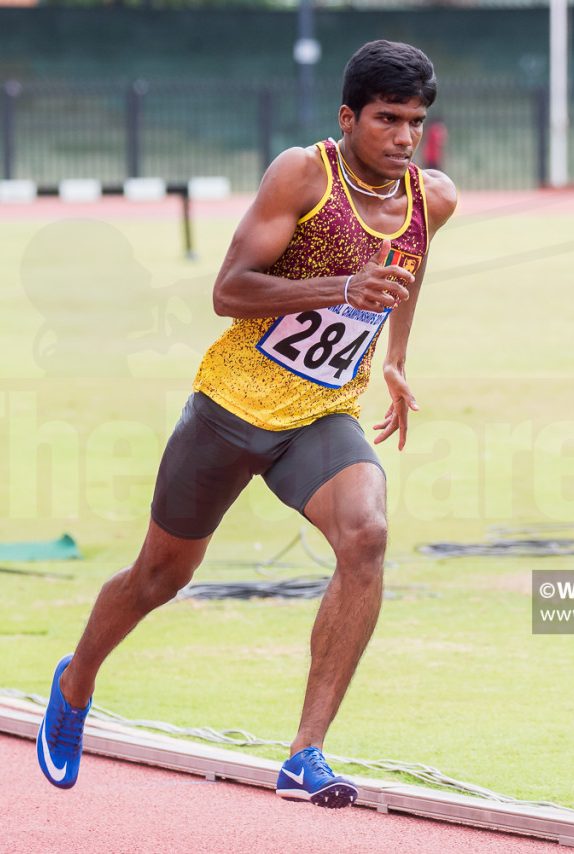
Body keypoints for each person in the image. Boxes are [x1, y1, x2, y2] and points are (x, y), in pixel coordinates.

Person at [36, 39, 457, 809]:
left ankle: (305, 753)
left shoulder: (432, 198)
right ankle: (77, 681)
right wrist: (342, 287)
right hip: (231, 408)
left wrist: (396, 355)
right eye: (387, 120)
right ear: (348, 118)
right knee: (159, 578)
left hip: (321, 414)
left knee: (366, 535)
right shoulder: (303, 174)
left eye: (415, 122)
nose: (404, 138)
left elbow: (412, 264)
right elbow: (229, 291)